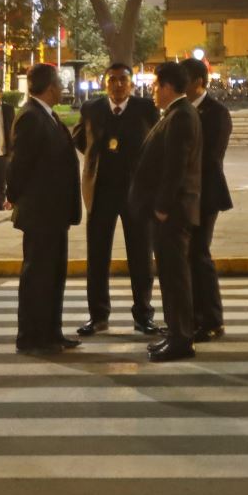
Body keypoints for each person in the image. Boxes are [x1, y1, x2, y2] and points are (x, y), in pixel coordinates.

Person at [76, 62, 160, 336]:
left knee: (141, 256)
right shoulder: (91, 109)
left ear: (132, 84)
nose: (118, 84)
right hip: (100, 192)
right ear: (104, 83)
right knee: (97, 256)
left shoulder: (146, 109)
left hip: (136, 193)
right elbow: (80, 139)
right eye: (112, 79)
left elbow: (156, 142)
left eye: (123, 79)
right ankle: (98, 315)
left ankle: (143, 315)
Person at [129, 61, 204, 361]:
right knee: (171, 276)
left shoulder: (182, 116)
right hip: (170, 211)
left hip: (172, 213)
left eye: (156, 85)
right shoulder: (175, 114)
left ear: (169, 86)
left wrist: (161, 207)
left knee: (175, 278)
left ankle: (181, 339)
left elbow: (176, 167)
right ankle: (176, 334)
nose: (153, 91)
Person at [8, 63, 82, 354]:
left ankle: (52, 333)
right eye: (60, 85)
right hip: (40, 213)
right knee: (37, 278)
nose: (62, 90)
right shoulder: (30, 117)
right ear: (51, 87)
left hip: (55, 213)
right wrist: (15, 196)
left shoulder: (46, 116)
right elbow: (18, 166)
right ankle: (31, 337)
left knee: (53, 276)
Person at [181, 56, 233, 341]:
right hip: (186, 195)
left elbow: (211, 157)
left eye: (184, 79)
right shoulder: (181, 110)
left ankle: (212, 319)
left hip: (205, 194)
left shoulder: (216, 113)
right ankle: (192, 317)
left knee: (199, 255)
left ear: (198, 82)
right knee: (189, 257)